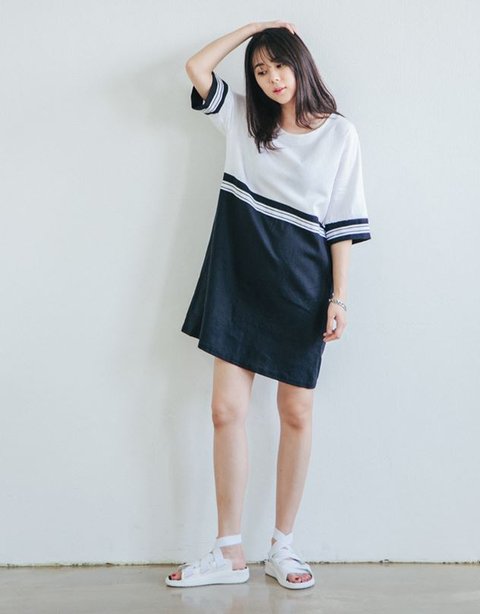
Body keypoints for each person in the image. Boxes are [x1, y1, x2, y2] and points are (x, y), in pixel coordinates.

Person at [166, 20, 371, 590]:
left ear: (299, 64)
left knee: (295, 413)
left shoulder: (340, 135)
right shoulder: (243, 121)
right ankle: (228, 551)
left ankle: (283, 546)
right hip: (237, 279)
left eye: (279, 64)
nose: (272, 77)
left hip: (301, 286)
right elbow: (197, 68)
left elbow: (342, 226)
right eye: (260, 70)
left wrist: (339, 298)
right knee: (224, 411)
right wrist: (256, 29)